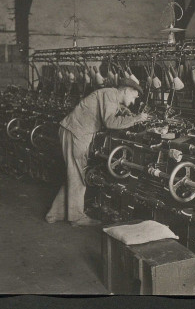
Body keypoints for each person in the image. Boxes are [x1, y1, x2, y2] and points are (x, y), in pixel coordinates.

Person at [45, 78, 150, 226]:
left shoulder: (109, 95)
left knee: (73, 174)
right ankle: (76, 218)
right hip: (76, 133)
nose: (133, 102)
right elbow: (110, 122)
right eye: (133, 97)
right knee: (79, 175)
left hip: (74, 131)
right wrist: (136, 119)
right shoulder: (110, 95)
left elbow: (106, 112)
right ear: (126, 90)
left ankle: (55, 214)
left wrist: (123, 112)